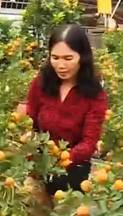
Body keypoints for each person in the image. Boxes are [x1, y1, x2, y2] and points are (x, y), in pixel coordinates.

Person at [23, 24, 108, 196]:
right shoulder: (40, 84)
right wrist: (27, 139)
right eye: (55, 57)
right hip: (38, 168)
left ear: (82, 58)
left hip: (73, 173)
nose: (60, 65)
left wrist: (61, 158)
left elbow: (89, 142)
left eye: (68, 58)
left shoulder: (94, 94)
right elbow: (29, 121)